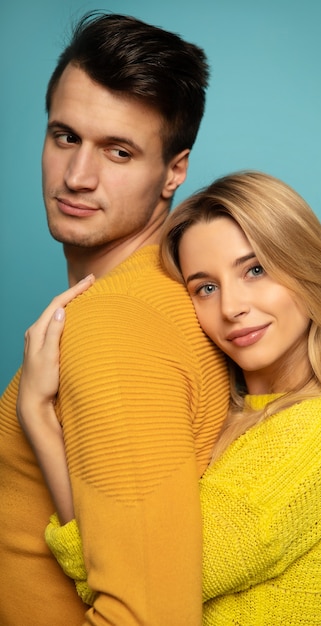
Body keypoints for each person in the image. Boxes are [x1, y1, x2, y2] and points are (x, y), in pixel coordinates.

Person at [17, 171, 321, 625]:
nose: (231, 307)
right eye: (205, 287)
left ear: (308, 266)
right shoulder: (236, 410)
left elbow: (142, 582)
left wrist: (38, 417)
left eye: (255, 270)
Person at [0, 12, 230, 626]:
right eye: (64, 136)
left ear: (174, 171)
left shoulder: (116, 328)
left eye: (119, 151)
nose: (77, 177)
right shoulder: (158, 296)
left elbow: (150, 615)